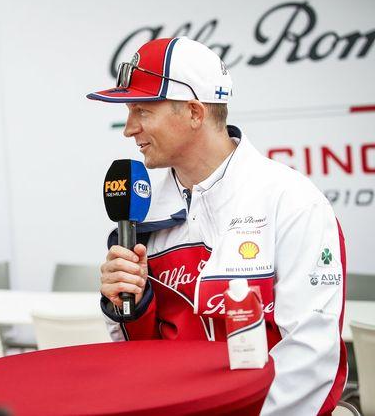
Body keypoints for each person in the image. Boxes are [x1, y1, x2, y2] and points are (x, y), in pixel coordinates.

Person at [87, 37, 346, 415]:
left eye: (142, 110)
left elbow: (311, 354)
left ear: (194, 112)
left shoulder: (291, 201)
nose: (129, 129)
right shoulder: (144, 215)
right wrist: (131, 306)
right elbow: (142, 355)